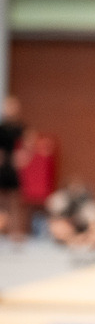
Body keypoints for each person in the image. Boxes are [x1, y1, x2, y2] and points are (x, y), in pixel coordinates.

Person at [0, 95, 26, 239]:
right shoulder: (2, 127)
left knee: (14, 201)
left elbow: (29, 142)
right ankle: (2, 228)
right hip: (2, 166)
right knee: (2, 200)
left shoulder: (19, 127)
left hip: (13, 168)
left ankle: (15, 231)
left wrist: (23, 156)